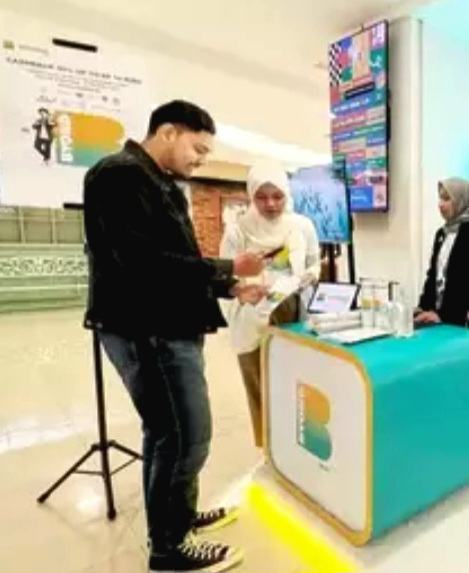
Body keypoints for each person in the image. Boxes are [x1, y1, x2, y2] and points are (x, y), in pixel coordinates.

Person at [83, 100, 265, 573]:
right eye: (197, 149)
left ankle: (176, 519)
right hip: (149, 331)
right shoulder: (119, 176)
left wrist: (229, 286)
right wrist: (227, 266)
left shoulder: (160, 182)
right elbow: (141, 263)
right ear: (168, 132)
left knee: (166, 434)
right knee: (186, 437)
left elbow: (175, 262)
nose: (200, 160)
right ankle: (170, 549)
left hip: (170, 326)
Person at [220, 162, 321, 450]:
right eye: (262, 197)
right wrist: (244, 292)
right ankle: (269, 449)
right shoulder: (238, 231)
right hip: (252, 317)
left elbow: (314, 262)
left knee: (296, 383)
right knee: (260, 385)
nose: (271, 204)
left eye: (277, 196)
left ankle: (297, 447)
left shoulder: (301, 226)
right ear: (251, 196)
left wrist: (309, 275)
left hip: (292, 312)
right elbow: (225, 276)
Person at [415, 177, 469, 340]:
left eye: (447, 199)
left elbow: (464, 281)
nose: (440, 204)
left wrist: (443, 315)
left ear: (462, 201)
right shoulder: (442, 233)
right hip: (440, 320)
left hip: (463, 321)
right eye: (440, 198)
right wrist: (422, 308)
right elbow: (433, 275)